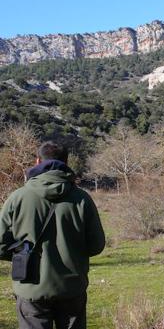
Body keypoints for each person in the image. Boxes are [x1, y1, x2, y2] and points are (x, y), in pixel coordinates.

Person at [0, 140, 106, 329]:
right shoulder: (82, 199)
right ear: (66, 162)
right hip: (72, 288)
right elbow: (96, 245)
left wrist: (20, 254)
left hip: (30, 288)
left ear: (37, 161)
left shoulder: (17, 198)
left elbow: (0, 244)